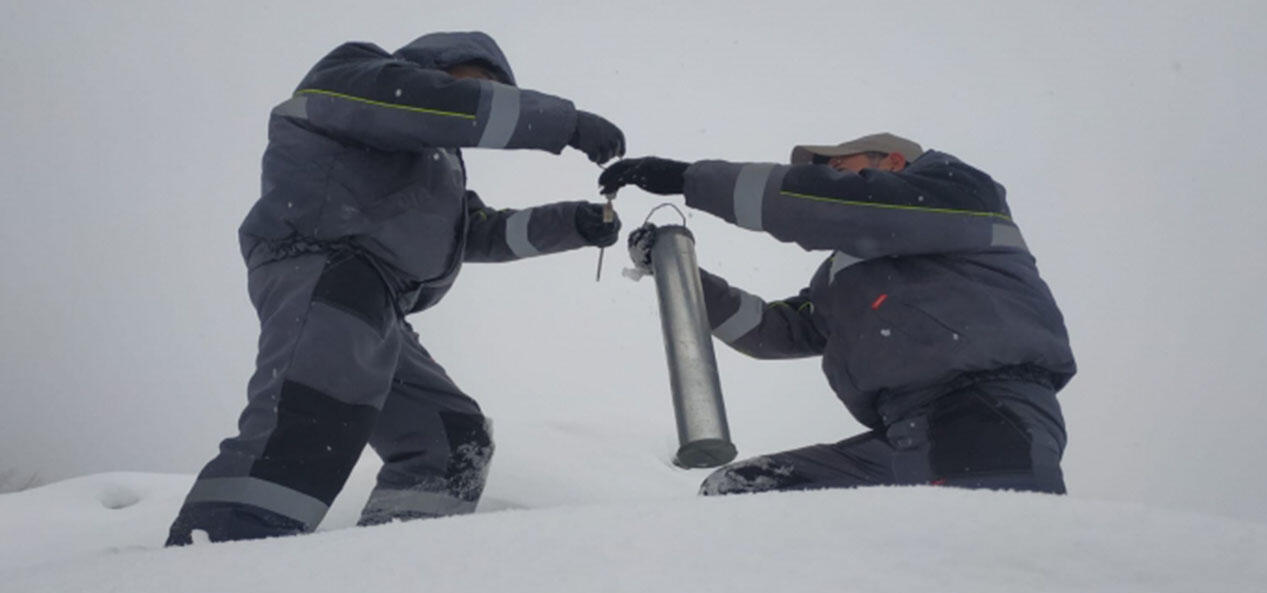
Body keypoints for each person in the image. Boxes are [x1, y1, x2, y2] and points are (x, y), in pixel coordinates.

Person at [168, 32, 625, 545]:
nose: (490, 97)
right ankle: (208, 570)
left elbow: (477, 232)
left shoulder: (431, 161)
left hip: (378, 305)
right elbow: (434, 101)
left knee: (450, 436)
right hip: (327, 268)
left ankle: (393, 558)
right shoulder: (358, 77)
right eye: (484, 84)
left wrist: (576, 224)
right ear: (440, 62)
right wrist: (565, 124)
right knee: (308, 422)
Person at [600, 132, 1076, 496]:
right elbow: (770, 330)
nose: (830, 175)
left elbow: (845, 207)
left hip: (987, 414)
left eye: (839, 166)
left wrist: (689, 179)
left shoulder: (957, 190)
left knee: (981, 566)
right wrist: (677, 274)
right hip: (902, 435)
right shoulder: (844, 276)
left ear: (892, 162)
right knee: (740, 492)